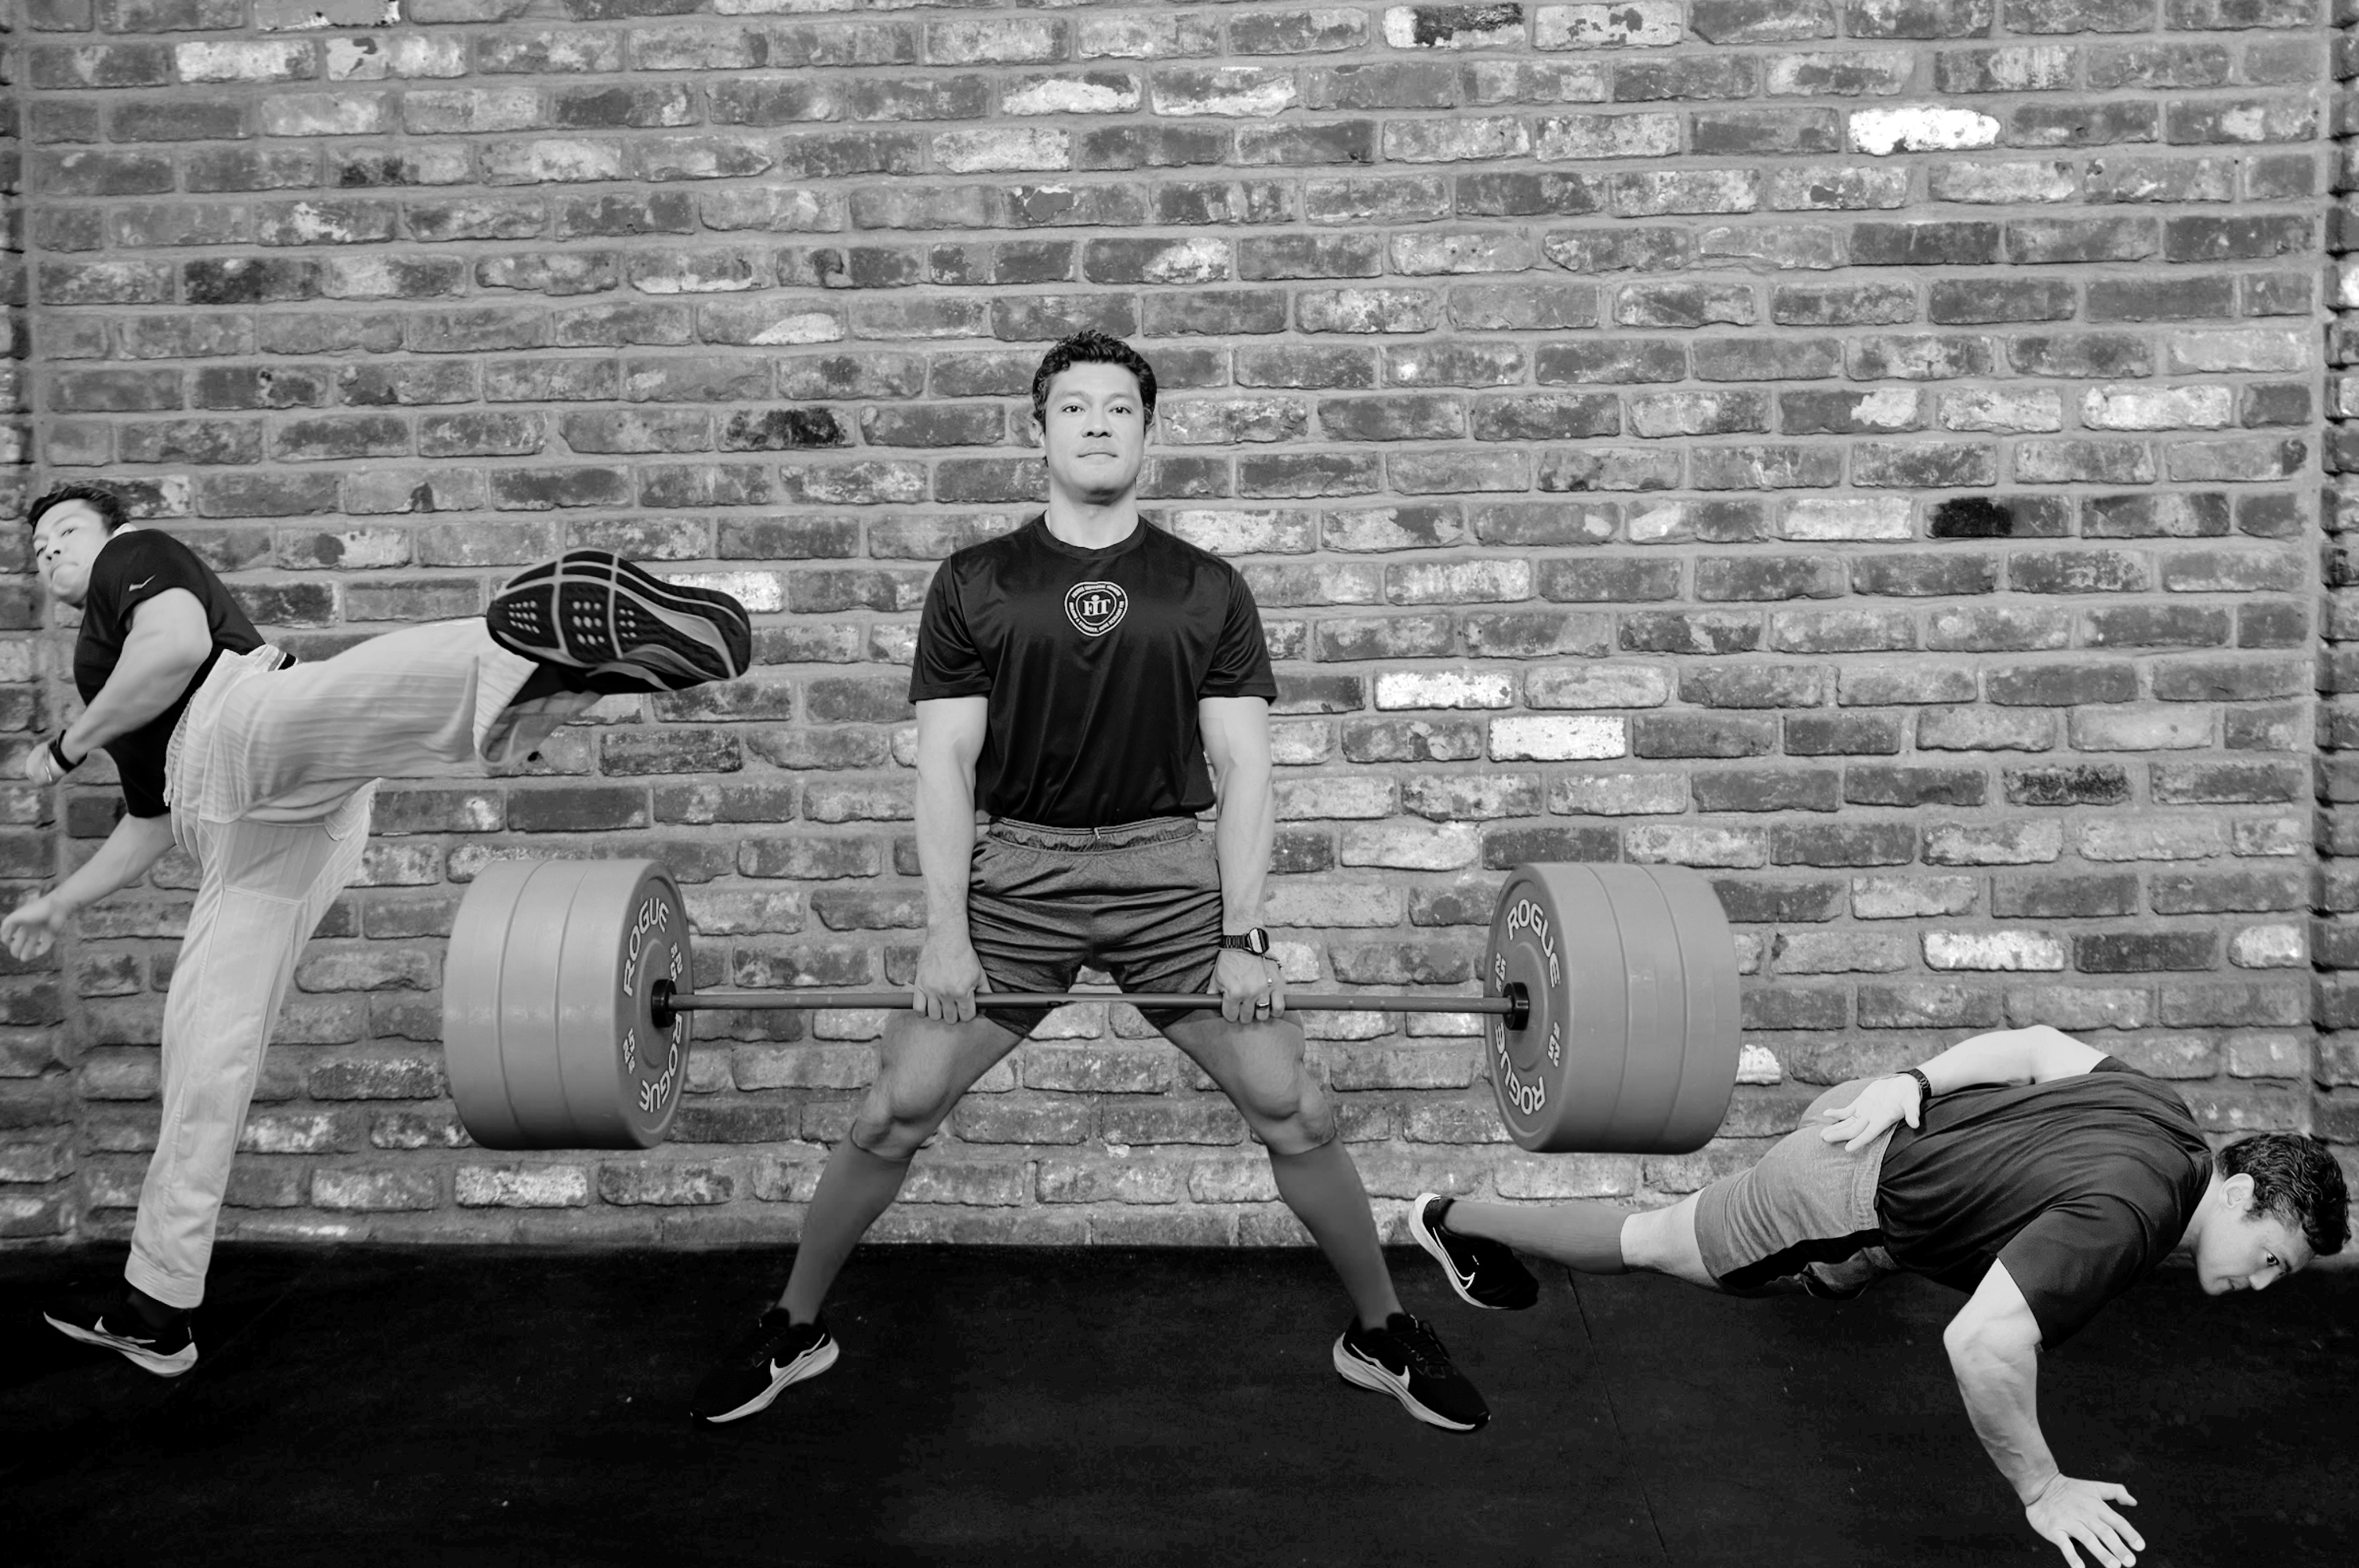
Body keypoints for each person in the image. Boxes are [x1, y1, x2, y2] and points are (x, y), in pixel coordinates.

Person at [689, 330, 1488, 1432]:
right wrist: (944, 931)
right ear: (1041, 430)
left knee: (1292, 1106)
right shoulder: (976, 581)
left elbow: (1246, 769)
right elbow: (946, 766)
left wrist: (1244, 935)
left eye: (1120, 407)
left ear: (1149, 434)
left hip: (1168, 871)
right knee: (895, 1107)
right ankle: (793, 1324)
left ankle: (1381, 1330)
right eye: (1076, 407)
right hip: (1018, 870)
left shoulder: (1207, 588)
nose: (1099, 423)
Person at [5, 486, 751, 1376]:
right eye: (36, 545)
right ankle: (160, 1305)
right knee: (204, 1048)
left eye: (63, 531)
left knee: (345, 702)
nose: (47, 549)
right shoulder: (106, 668)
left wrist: (62, 746)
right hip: (243, 838)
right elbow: (153, 819)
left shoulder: (136, 557)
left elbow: (179, 649)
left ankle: (524, 653)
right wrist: (64, 901)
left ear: (109, 529)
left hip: (239, 730)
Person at [1406, 1025, 2350, 1568]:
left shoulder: (2167, 1118)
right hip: (1839, 1190)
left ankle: (1837, 1255)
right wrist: (2041, 1485)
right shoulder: (2131, 1215)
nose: (2260, 1284)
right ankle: (1451, 1217)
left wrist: (1911, 1079)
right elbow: (1981, 1342)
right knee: (1648, 1241)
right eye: (2270, 1256)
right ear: (2237, 1192)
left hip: (1887, 1115)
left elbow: (2028, 1044)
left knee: (1835, 1272)